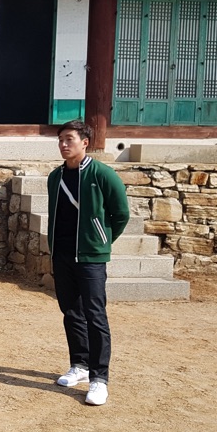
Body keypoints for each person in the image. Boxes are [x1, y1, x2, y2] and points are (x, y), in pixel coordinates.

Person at [47, 120, 130, 407]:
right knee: (71, 312)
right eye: (60, 139)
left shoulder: (102, 174)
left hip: (91, 257)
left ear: (85, 142)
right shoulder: (55, 177)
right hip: (62, 254)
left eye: (69, 139)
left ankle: (99, 378)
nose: (63, 144)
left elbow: (121, 214)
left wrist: (100, 240)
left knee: (95, 315)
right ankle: (79, 365)